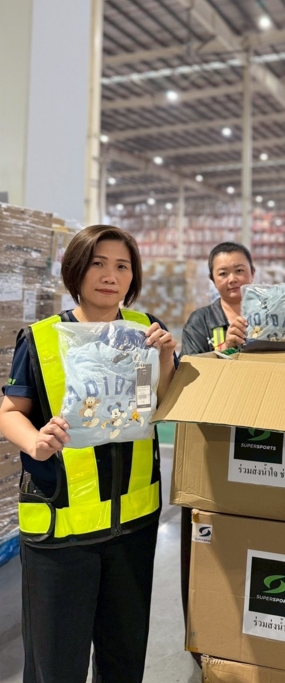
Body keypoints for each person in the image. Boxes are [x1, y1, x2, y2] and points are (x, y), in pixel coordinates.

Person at [0, 225, 177, 683]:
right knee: (56, 666)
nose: (110, 275)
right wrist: (34, 441)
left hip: (133, 526)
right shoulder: (42, 338)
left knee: (123, 660)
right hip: (62, 530)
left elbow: (160, 404)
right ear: (76, 269)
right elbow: (10, 411)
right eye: (98, 263)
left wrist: (165, 360)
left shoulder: (144, 331)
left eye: (122, 266)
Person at [178, 241, 285, 634]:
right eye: (223, 273)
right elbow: (189, 377)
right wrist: (226, 348)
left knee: (262, 534)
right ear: (212, 280)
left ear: (253, 274)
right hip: (219, 442)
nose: (233, 279)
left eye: (240, 270)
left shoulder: (279, 311)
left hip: (270, 436)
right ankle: (206, 629)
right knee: (213, 543)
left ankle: (264, 624)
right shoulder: (201, 322)